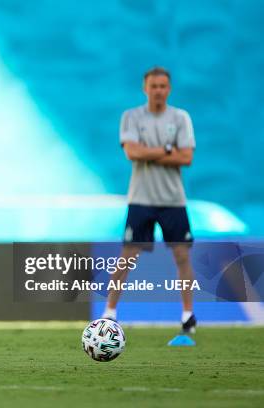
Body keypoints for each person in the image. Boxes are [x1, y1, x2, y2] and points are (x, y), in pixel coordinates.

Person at [103, 67, 197, 334]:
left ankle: (187, 316)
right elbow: (132, 152)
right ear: (145, 88)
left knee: (181, 256)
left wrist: (150, 153)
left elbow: (186, 158)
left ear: (169, 89)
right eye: (154, 86)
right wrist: (168, 149)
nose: (158, 91)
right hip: (141, 198)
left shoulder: (180, 118)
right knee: (128, 258)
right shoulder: (131, 117)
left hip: (173, 199)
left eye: (163, 86)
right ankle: (109, 314)